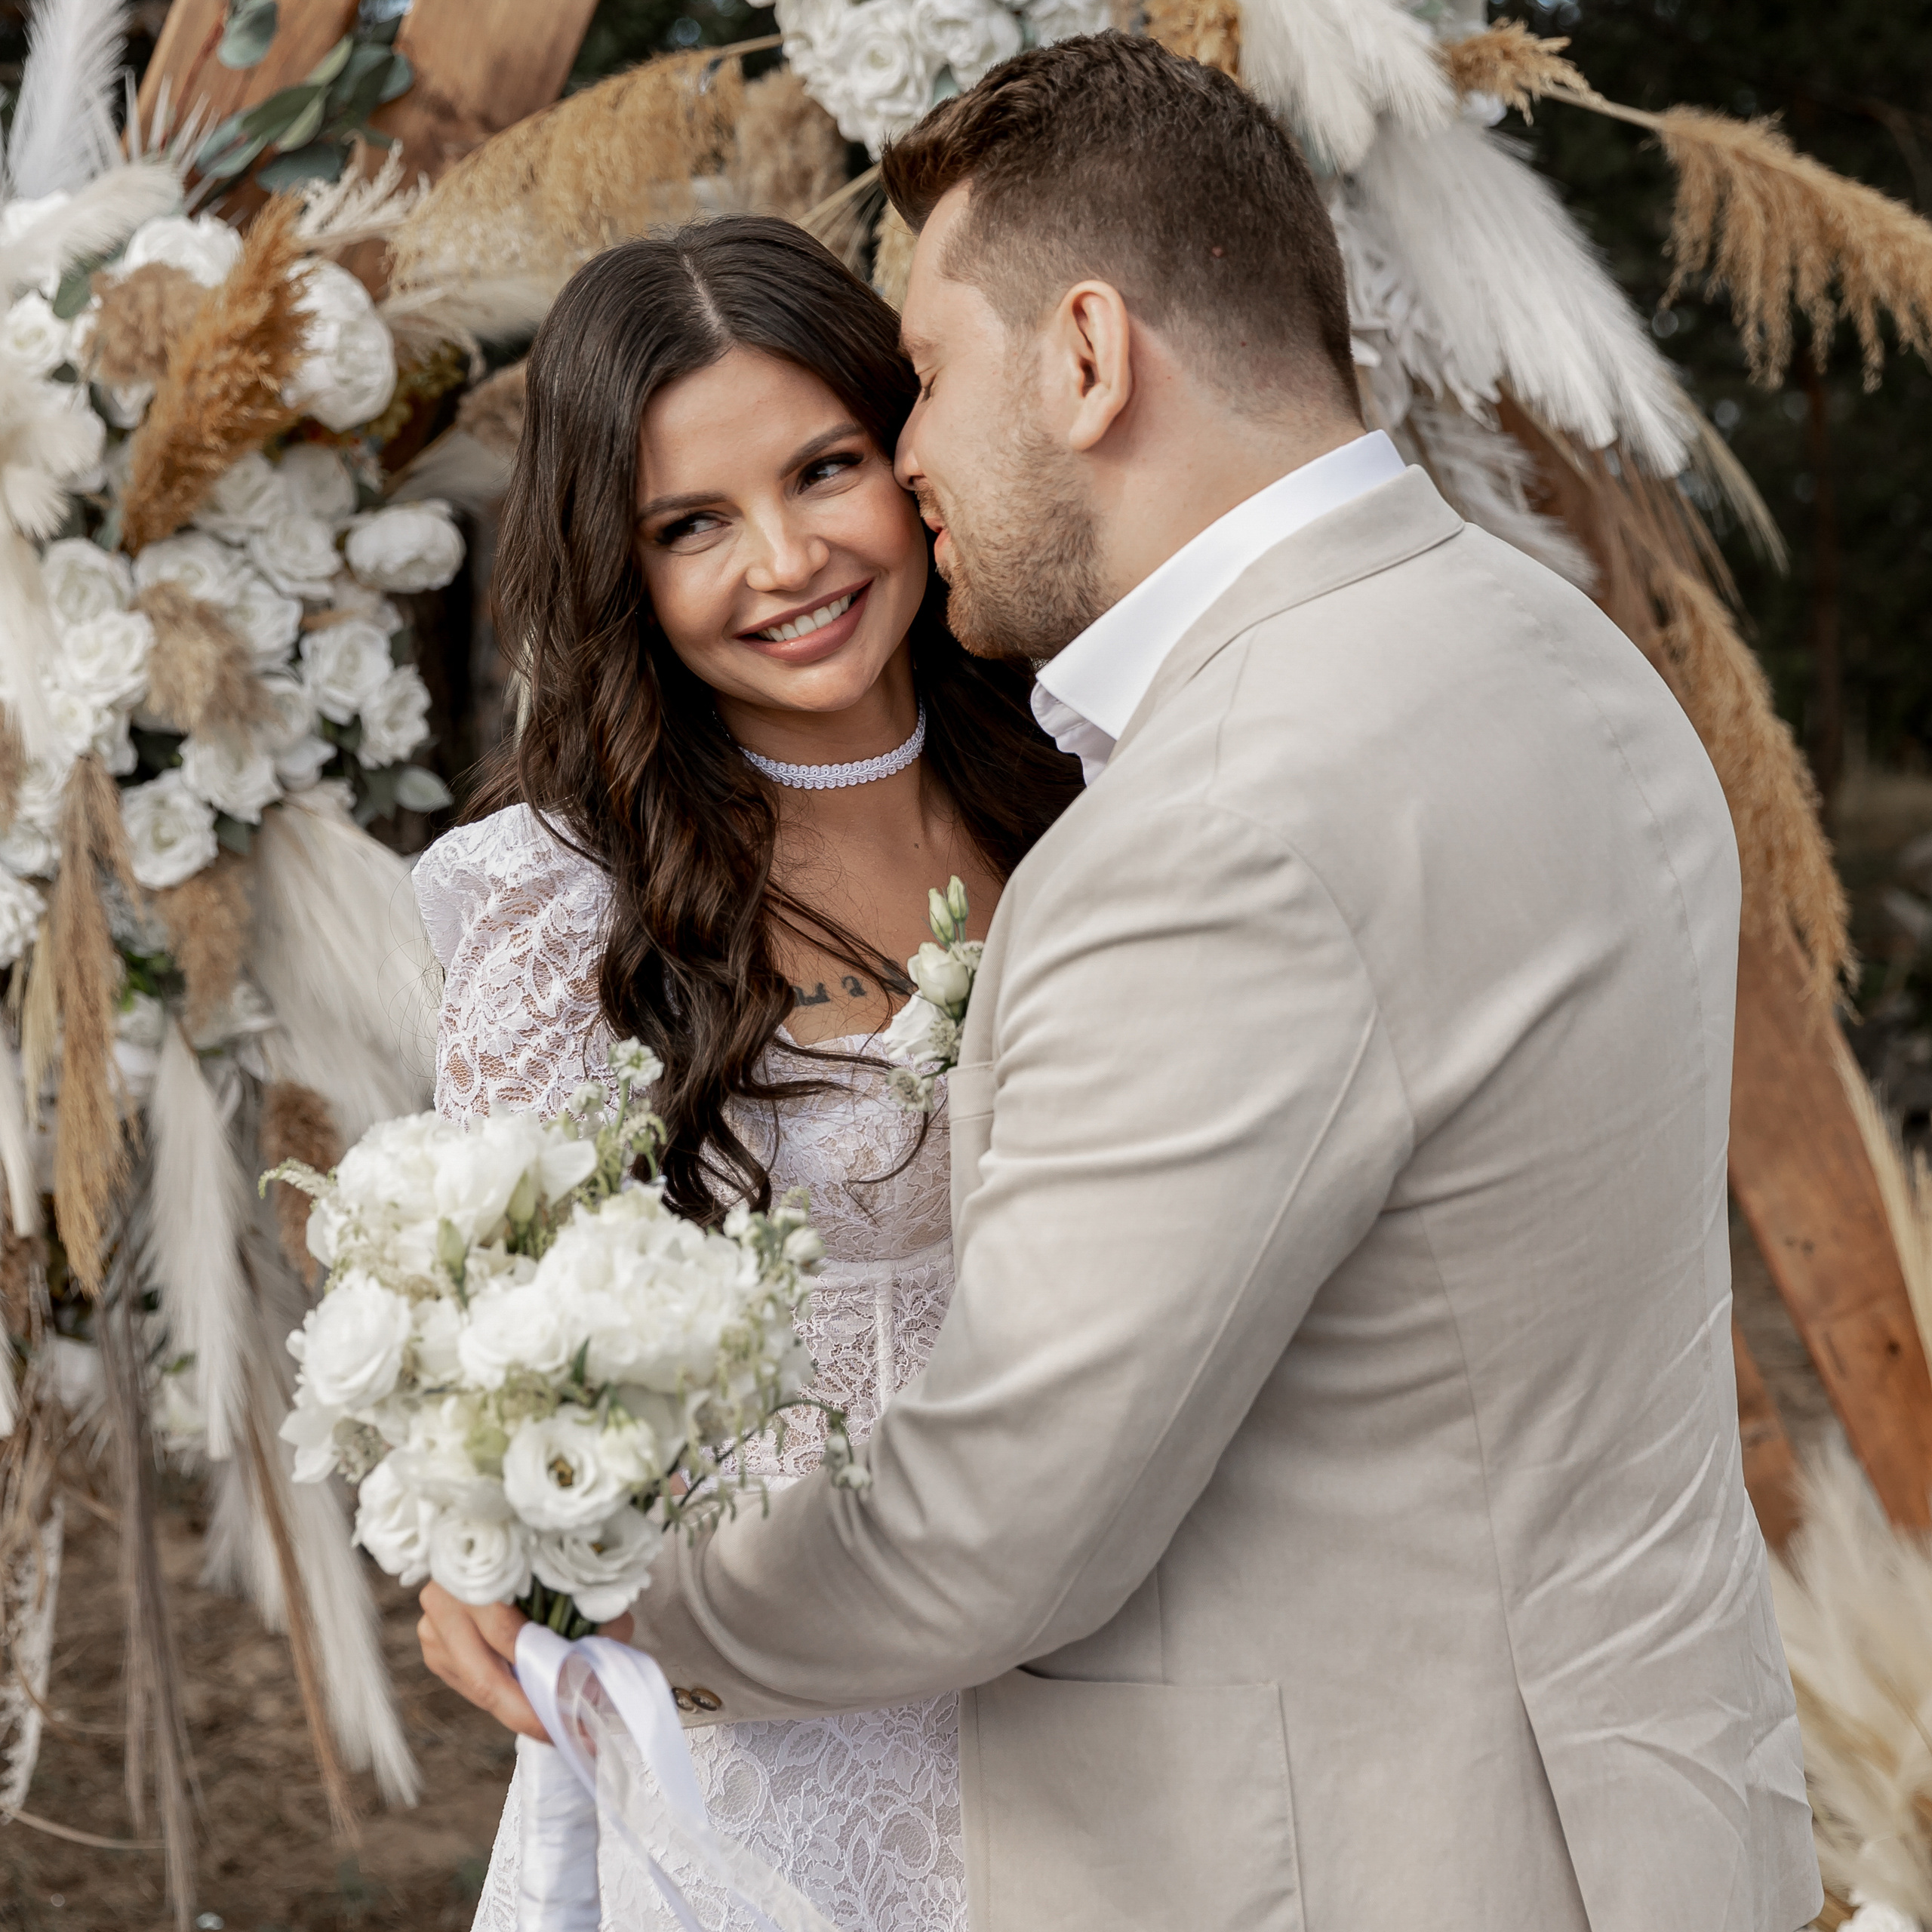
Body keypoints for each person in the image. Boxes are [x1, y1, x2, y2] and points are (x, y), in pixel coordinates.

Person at [423, 33, 1825, 1932]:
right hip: (1643, 1800)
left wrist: (597, 1593)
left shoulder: (1201, 827)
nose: (902, 468)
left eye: (908, 389)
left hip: (1380, 1841)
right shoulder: (1559, 651)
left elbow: (993, 1527)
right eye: (691, 519)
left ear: (1083, 355)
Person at [414, 214, 1080, 1930]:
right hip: (765, 1725)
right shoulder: (560, 899)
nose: (783, 559)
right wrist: (464, 1544)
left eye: (823, 468)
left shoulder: (1090, 786)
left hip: (1104, 1641)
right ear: (616, 563)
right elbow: (490, 1331)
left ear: (910, 448)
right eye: (691, 523)